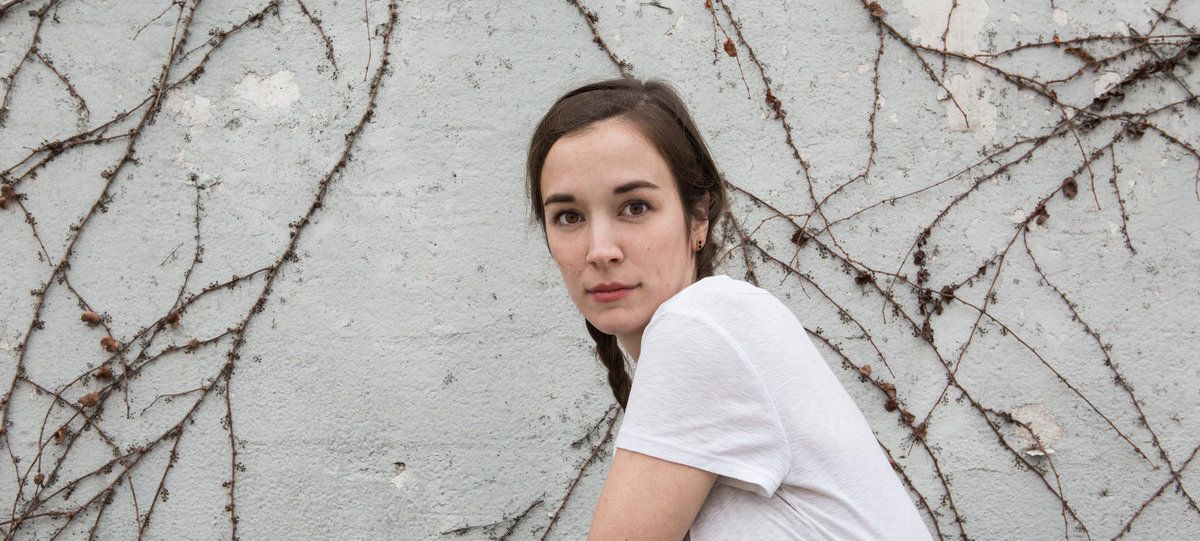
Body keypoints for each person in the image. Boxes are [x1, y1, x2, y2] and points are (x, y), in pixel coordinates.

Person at [524, 77, 934, 541]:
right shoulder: (718, 323)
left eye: (635, 207)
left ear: (697, 218)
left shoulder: (701, 324)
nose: (600, 250)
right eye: (569, 217)